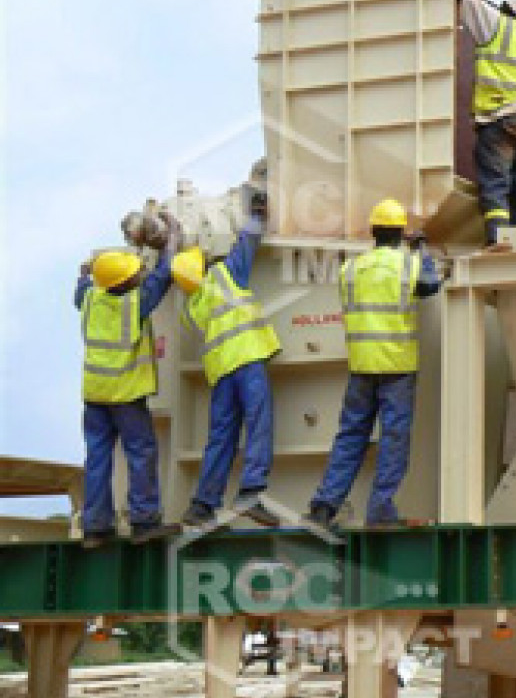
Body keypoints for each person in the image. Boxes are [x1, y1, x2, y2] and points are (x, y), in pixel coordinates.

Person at [306, 199, 442, 530]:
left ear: (373, 231)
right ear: (401, 232)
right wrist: (421, 249)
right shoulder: (408, 264)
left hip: (362, 366)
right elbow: (430, 284)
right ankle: (380, 509)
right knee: (393, 439)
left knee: (350, 437)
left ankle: (324, 506)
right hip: (396, 365)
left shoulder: (350, 270)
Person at [172, 192, 281, 528]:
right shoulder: (224, 275)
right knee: (258, 424)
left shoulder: (190, 307)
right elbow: (247, 243)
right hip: (247, 359)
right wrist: (257, 213)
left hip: (220, 372)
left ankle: (202, 504)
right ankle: (250, 493)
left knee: (220, 437)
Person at [77, 212, 183, 548]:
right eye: (132, 273)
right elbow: (162, 276)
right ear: (124, 284)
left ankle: (95, 528)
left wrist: (87, 270)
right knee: (140, 452)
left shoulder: (89, 298)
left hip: (94, 395)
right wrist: (172, 241)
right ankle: (144, 521)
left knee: (97, 458)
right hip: (125, 395)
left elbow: (82, 282)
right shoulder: (135, 303)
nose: (138, 274)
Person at [459, 0, 516, 251]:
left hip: (500, 117)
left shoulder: (496, 23)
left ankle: (498, 240)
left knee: (495, 184)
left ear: (508, 4)